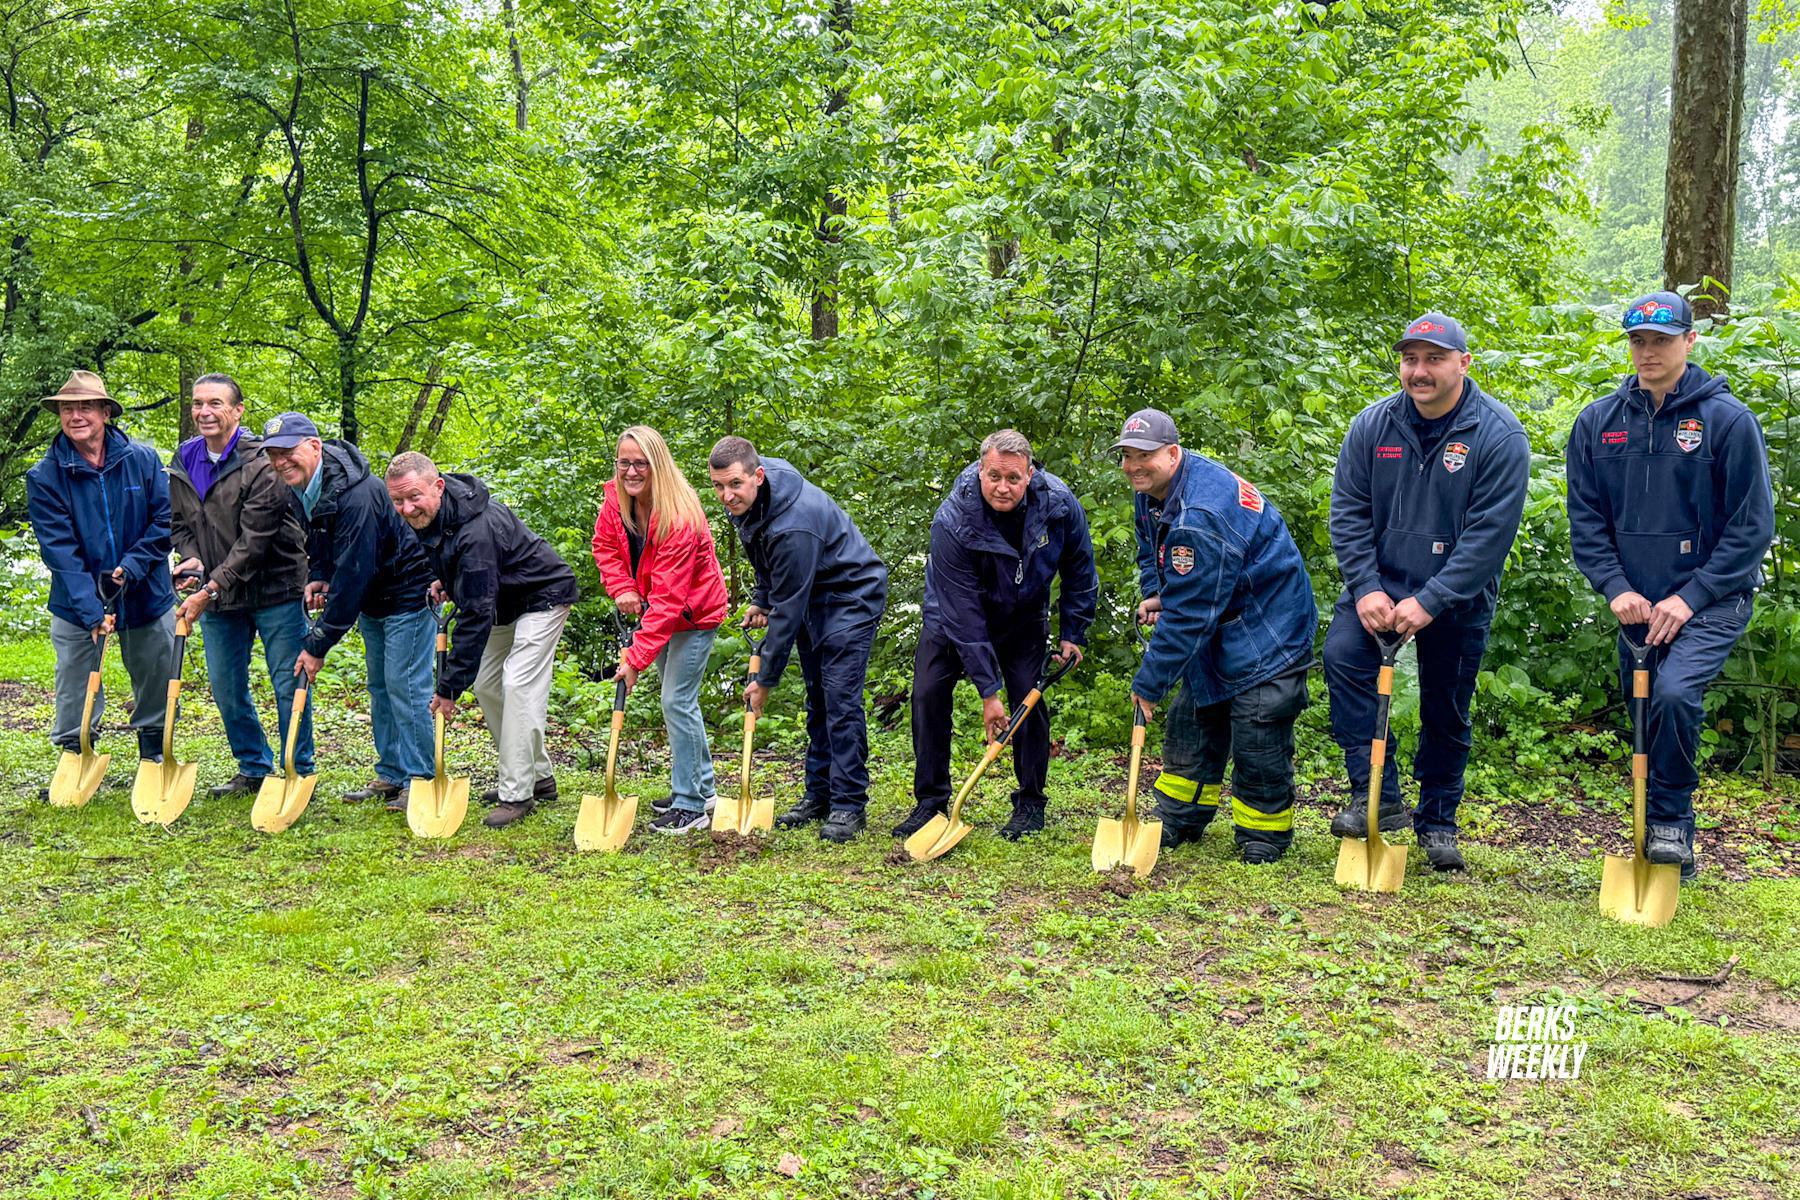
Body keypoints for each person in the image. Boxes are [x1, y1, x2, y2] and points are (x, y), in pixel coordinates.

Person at [1566, 290, 1774, 880]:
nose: (1648, 352)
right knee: (1642, 710)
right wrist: (1615, 587)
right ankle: (1656, 830)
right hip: (1636, 602)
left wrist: (1690, 597)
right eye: (1638, 341)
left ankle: (1671, 825)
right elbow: (1587, 520)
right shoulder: (1598, 423)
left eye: (1661, 340)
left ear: (1690, 340)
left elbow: (1752, 526)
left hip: (1713, 597)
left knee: (1676, 695)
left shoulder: (1728, 421)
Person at [1323, 313, 1530, 871]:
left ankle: (1438, 822)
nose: (1419, 370)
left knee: (1446, 708)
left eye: (1434, 359)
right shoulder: (1372, 426)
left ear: (1463, 363)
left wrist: (1432, 600)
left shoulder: (1499, 434)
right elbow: (1348, 512)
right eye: (1410, 359)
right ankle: (1378, 797)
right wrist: (1365, 587)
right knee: (1342, 658)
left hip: (1456, 595)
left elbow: (1489, 537)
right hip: (1379, 586)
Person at [1119, 408, 1317, 863]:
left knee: (1258, 727)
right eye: (1127, 456)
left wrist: (1148, 686)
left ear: (1173, 453)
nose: (1133, 467)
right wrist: (1156, 592)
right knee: (1193, 717)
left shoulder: (1200, 516)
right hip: (1220, 612)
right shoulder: (1153, 489)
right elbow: (1152, 547)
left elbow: (1189, 616)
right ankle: (1180, 816)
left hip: (1270, 622)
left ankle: (1263, 834)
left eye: (1144, 456)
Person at [897, 430, 1098, 841]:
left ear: (1030, 474)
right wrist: (989, 694)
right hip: (953, 618)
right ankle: (931, 803)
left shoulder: (1059, 504)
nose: (1002, 487)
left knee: (1029, 698)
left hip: (1022, 616)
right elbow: (965, 616)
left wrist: (1073, 632)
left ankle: (1030, 802)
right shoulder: (952, 519)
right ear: (980, 470)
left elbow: (1080, 568)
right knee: (927, 694)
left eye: (1013, 478)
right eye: (994, 476)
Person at [708, 437, 888, 842]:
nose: (727, 496)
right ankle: (819, 795)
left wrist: (765, 680)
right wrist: (761, 597)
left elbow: (787, 613)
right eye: (718, 486)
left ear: (758, 475)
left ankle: (848, 805)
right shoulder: (752, 500)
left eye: (734, 484)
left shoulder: (794, 524)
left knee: (839, 699)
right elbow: (764, 554)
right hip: (812, 593)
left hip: (851, 594)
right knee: (817, 697)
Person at [385, 453, 579, 828]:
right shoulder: (435, 515)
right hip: (502, 601)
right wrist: (447, 579)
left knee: (518, 684)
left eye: (414, 497)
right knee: (489, 686)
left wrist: (448, 688)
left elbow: (476, 614)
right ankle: (539, 777)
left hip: (543, 596)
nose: (407, 508)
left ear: (438, 487)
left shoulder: (476, 530)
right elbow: (459, 566)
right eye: (398, 500)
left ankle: (516, 793)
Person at [260, 413, 435, 810]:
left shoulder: (358, 495)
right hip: (374, 597)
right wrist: (320, 574)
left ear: (314, 446)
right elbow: (319, 536)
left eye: (287, 451)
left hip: (408, 593)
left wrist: (318, 644)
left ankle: (420, 778)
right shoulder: (304, 485)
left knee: (405, 686)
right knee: (381, 686)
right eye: (273, 454)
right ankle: (392, 773)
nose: (280, 461)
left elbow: (355, 572)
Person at [167, 374, 314, 798]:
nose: (205, 412)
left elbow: (255, 541)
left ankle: (297, 771)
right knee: (226, 687)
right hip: (219, 596)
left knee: (288, 684)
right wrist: (192, 558)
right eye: (198, 404)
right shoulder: (184, 458)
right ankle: (253, 767)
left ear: (237, 410)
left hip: (276, 589)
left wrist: (209, 589)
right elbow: (178, 522)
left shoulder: (262, 460)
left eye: (215, 403)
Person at [26, 371, 178, 771]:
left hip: (146, 590)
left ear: (105, 412)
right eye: (67, 409)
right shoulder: (45, 476)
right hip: (77, 596)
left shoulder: (142, 460)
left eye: (86, 407)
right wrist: (91, 610)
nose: (76, 416)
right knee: (75, 677)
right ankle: (76, 753)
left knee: (156, 670)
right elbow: (59, 550)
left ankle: (153, 750)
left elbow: (166, 521)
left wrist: (133, 565)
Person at [591, 426, 729, 834]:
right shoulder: (615, 500)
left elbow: (670, 598)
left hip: (695, 614)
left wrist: (634, 660)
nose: (631, 471)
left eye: (641, 463)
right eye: (624, 462)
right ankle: (704, 789)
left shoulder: (680, 516)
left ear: (658, 464)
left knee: (676, 700)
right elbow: (605, 547)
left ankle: (690, 805)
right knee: (680, 702)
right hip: (659, 610)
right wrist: (623, 588)